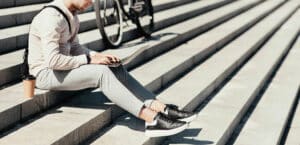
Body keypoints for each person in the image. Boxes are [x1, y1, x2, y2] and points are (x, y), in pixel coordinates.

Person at [27, 0, 196, 137]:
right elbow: (52, 61)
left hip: (60, 69)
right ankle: (151, 120)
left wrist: (98, 56)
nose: (92, 3)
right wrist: (88, 60)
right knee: (101, 73)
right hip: (44, 74)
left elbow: (75, 47)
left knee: (114, 68)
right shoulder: (51, 18)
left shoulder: (71, 16)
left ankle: (161, 108)